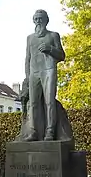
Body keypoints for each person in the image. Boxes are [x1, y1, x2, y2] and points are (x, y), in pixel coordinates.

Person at [25, 9, 65, 141]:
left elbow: (62, 55)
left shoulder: (53, 35)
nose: (38, 21)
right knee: (33, 103)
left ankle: (50, 131)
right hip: (34, 72)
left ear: (46, 20)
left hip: (49, 70)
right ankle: (33, 132)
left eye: (41, 18)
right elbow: (27, 58)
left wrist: (50, 49)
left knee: (49, 101)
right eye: (36, 19)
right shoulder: (30, 38)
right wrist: (27, 76)